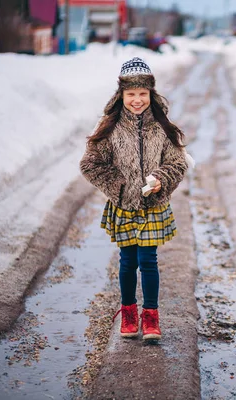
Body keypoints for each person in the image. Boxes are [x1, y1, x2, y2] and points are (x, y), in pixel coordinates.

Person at [80, 57, 189, 341]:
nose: (137, 100)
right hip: (123, 205)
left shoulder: (163, 128)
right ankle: (128, 313)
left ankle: (150, 316)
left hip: (153, 205)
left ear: (151, 94)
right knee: (128, 261)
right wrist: (118, 187)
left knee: (148, 260)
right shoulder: (110, 127)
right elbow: (90, 164)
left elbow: (178, 163)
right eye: (131, 94)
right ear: (122, 95)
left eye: (142, 94)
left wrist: (160, 180)